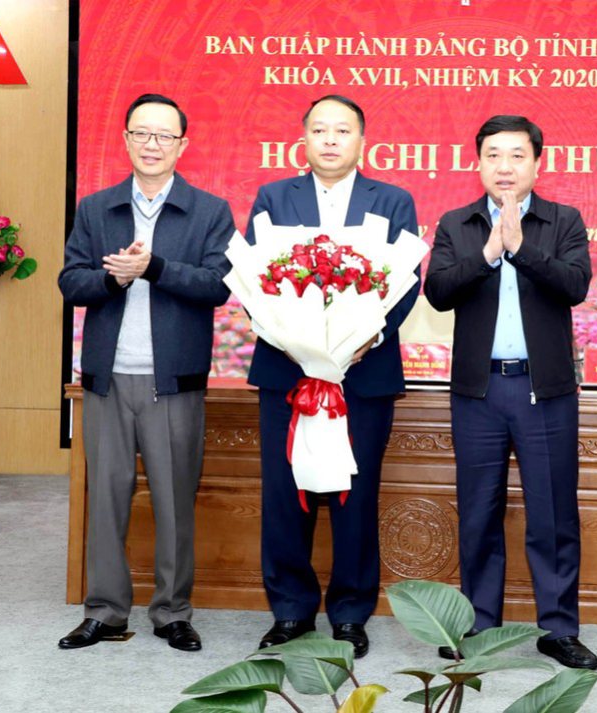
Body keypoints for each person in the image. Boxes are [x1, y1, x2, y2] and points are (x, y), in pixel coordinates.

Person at [57, 94, 234, 652]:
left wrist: (153, 267)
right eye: (141, 133)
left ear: (183, 145)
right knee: (106, 500)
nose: (151, 144)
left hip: (173, 383)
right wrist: (113, 279)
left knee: (174, 502)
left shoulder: (210, 211)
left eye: (163, 136)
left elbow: (218, 286)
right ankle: (105, 611)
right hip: (107, 381)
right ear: (126, 140)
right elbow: (70, 281)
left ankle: (172, 611)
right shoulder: (96, 208)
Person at [246, 95, 419, 659]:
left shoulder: (391, 201)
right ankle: (291, 611)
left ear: (361, 141)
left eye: (341, 130)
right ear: (303, 138)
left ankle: (349, 613)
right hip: (287, 373)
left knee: (354, 497)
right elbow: (253, 281)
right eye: (319, 129)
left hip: (363, 375)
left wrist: (368, 337)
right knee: (286, 493)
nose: (329, 139)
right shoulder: (274, 197)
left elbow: (406, 282)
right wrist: (290, 338)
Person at [424, 115, 597, 670]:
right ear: (478, 164)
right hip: (478, 393)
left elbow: (575, 286)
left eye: (517, 155)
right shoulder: (457, 223)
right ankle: (478, 626)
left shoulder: (563, 221)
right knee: (478, 511)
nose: (505, 166)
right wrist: (487, 255)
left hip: (544, 391)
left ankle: (559, 628)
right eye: (493, 155)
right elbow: (438, 292)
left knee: (553, 513)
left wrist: (521, 248)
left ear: (537, 164)